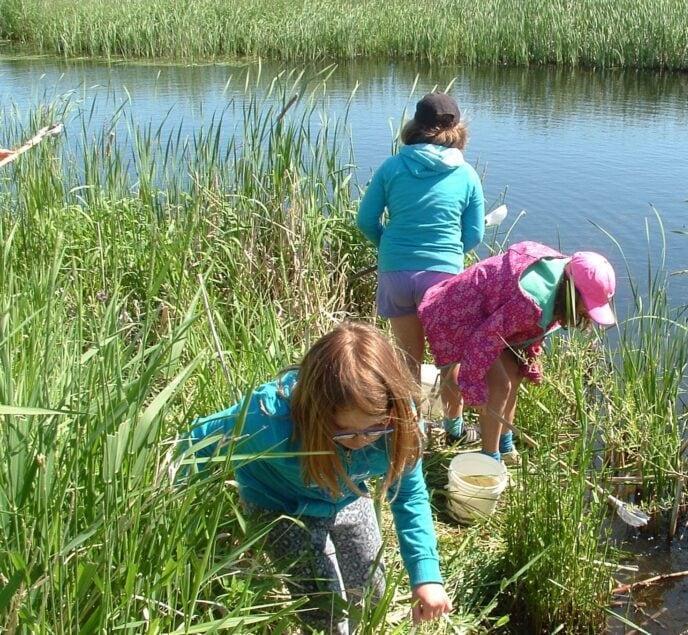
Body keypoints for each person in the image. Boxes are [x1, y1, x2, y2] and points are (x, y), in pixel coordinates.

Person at [183, 322, 452, 632]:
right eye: (344, 430)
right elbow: (199, 437)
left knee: (371, 593)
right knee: (325, 609)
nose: (361, 440)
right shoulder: (269, 421)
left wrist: (427, 576)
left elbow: (409, 496)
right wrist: (171, 494)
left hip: (347, 496)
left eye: (374, 427)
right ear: (314, 413)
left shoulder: (400, 428)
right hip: (281, 506)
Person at [356, 91, 484, 445]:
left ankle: (415, 430)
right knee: (449, 359)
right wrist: (449, 255)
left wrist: (388, 247)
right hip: (443, 277)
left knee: (407, 360)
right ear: (457, 128)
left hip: (396, 273)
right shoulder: (467, 173)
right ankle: (454, 430)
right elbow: (474, 233)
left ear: (415, 124)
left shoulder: (392, 166)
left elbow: (365, 220)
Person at [418, 241, 617, 464]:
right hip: (460, 313)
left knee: (515, 373)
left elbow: (530, 326)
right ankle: (489, 459)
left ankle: (505, 444)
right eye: (587, 305)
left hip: (492, 315)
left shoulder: (562, 280)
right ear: (570, 290)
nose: (587, 312)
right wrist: (473, 387)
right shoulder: (531, 299)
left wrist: (530, 356)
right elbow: (484, 341)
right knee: (499, 386)